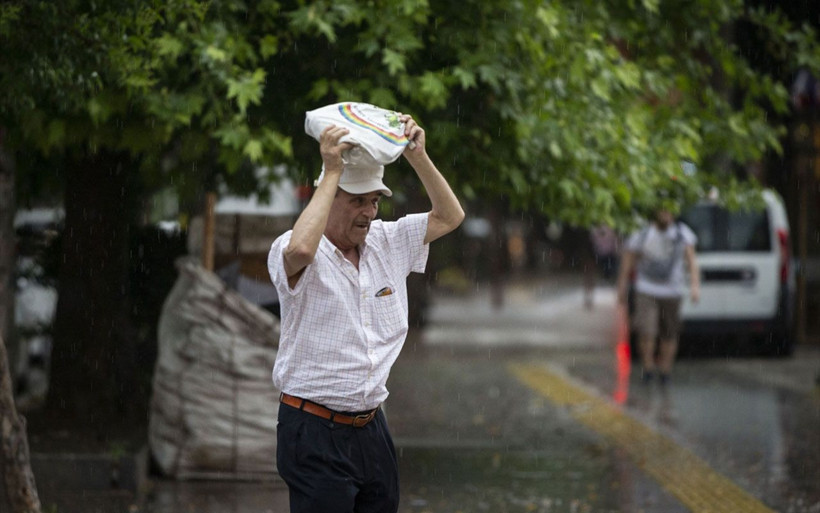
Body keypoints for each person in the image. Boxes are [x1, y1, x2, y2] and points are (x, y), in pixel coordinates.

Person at [267, 114, 464, 513]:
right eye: (357, 200)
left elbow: (450, 216)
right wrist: (331, 172)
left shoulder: (387, 242)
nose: (369, 212)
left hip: (372, 428)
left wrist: (419, 157)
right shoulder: (294, 247)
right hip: (312, 430)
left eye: (374, 201)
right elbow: (302, 252)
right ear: (329, 196)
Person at [616, 208, 700, 384]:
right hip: (646, 289)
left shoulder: (682, 232)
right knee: (646, 330)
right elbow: (628, 259)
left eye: (669, 211)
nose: (666, 215)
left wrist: (694, 286)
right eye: (662, 210)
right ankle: (648, 368)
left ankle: (665, 371)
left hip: (672, 290)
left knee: (669, 332)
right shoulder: (642, 231)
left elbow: (691, 261)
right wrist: (622, 286)